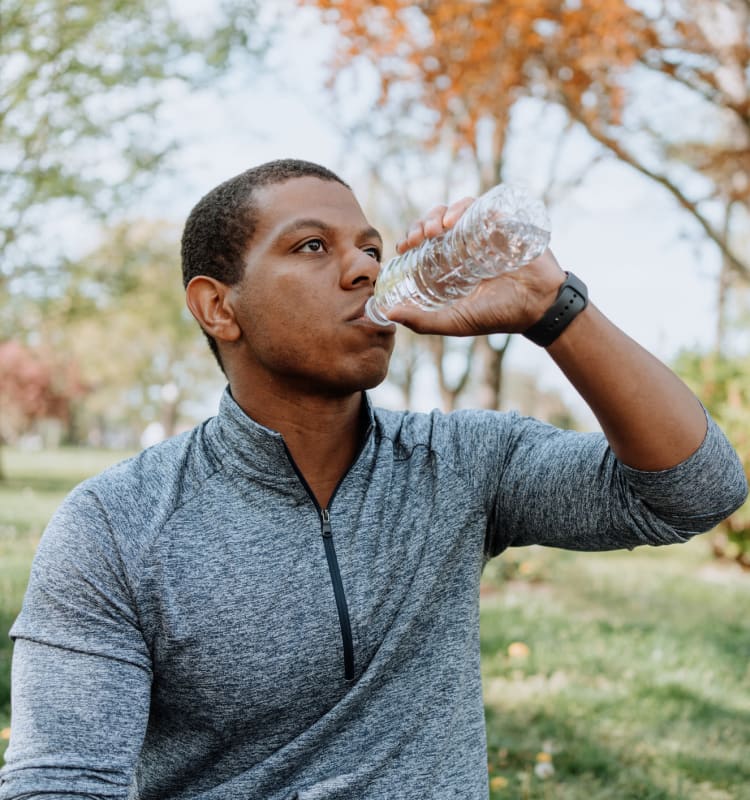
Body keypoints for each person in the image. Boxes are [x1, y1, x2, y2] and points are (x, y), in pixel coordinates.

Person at [0, 158, 746, 800]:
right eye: (312, 246)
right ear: (218, 306)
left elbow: (698, 490)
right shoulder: (114, 525)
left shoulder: (464, 464)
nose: (363, 268)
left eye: (371, 248)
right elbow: (59, 783)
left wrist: (555, 311)